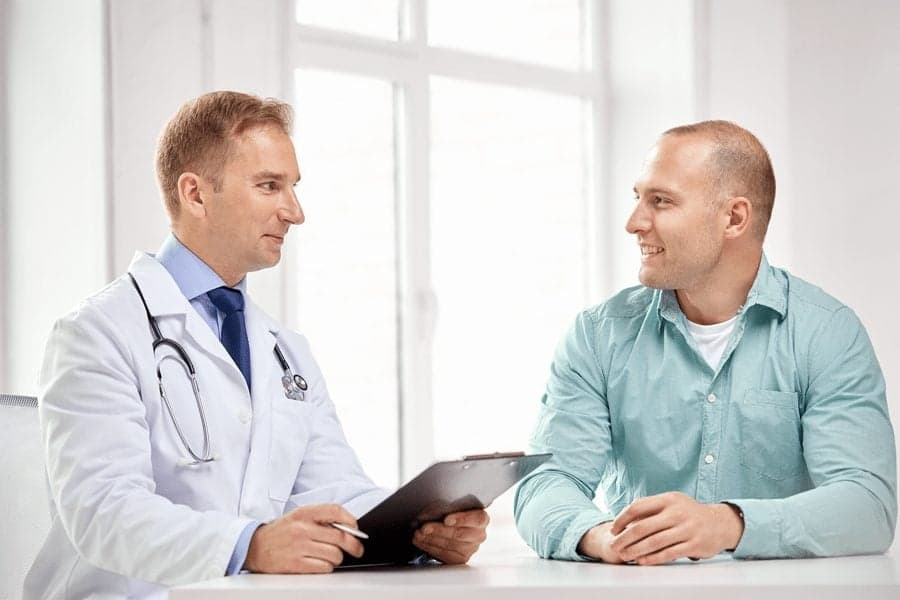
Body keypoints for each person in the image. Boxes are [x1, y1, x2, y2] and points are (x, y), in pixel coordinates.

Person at [25, 91, 488, 599]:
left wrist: (420, 532)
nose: (295, 212)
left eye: (293, 187)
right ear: (195, 195)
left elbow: (336, 491)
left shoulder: (284, 349)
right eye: (270, 186)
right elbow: (103, 511)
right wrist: (251, 544)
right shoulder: (97, 332)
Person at [514, 120, 896, 565]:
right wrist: (601, 538)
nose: (634, 222)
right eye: (638, 198)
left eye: (661, 201)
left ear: (733, 217)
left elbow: (867, 506)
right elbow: (546, 482)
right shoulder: (598, 335)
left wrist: (727, 524)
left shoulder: (826, 332)